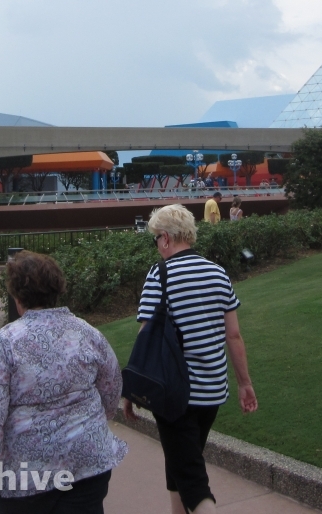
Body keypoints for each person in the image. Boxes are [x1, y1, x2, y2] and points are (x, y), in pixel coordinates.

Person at [0, 251, 127, 513]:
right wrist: (90, 422)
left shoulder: (6, 341)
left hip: (24, 473)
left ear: (18, 298)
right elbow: (111, 387)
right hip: (86, 461)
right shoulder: (87, 333)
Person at [123, 204, 257, 514]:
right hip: (211, 394)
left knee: (193, 478)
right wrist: (245, 383)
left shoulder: (160, 274)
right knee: (182, 461)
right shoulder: (217, 272)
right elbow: (233, 336)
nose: (156, 244)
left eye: (156, 238)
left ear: (166, 238)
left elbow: (147, 336)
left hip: (174, 394)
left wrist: (133, 389)